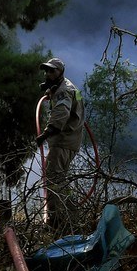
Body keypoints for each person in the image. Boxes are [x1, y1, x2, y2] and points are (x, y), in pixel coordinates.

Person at [36, 57, 85, 231]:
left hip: (63, 141)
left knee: (53, 180)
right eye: (47, 70)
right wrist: (52, 91)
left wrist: (46, 133)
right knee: (60, 180)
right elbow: (76, 102)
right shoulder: (68, 87)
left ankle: (57, 223)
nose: (48, 74)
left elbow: (62, 114)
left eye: (52, 70)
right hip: (70, 141)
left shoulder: (64, 91)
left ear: (60, 72)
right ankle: (71, 218)